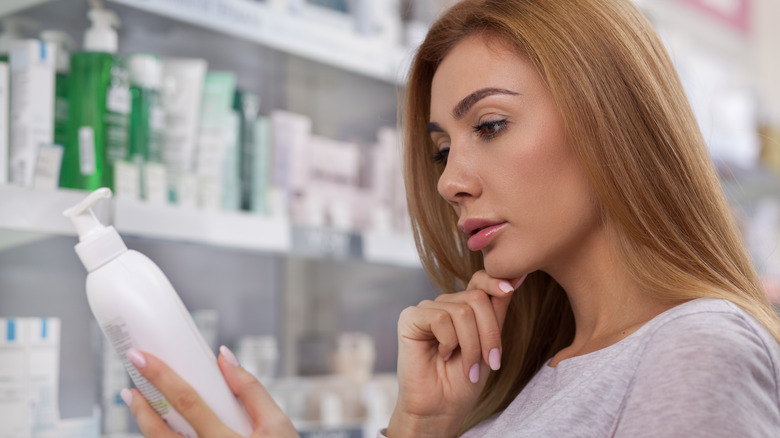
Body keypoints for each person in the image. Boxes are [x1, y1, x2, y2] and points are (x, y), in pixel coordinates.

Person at [120, 0, 780, 436]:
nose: (450, 181)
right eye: (441, 149)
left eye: (489, 125)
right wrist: (416, 425)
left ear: (613, 118)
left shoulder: (697, 348)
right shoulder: (539, 368)